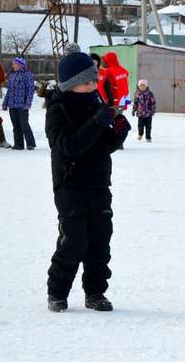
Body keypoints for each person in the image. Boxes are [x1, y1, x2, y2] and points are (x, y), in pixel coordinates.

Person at [45, 49, 131, 312]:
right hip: (71, 185)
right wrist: (97, 122)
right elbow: (69, 146)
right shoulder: (58, 110)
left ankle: (95, 292)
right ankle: (57, 292)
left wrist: (117, 133)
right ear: (71, 83)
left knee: (99, 240)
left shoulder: (94, 103)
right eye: (87, 82)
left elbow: (102, 145)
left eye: (95, 81)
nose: (94, 86)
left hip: (99, 183)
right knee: (74, 241)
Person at [2, 56, 37, 150]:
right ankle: (19, 144)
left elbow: (30, 90)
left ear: (20, 65)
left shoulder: (27, 75)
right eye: (13, 63)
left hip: (22, 105)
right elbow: (9, 91)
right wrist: (5, 103)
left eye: (14, 64)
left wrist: (28, 103)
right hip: (12, 105)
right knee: (16, 125)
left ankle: (30, 144)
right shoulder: (12, 75)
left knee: (24, 124)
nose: (12, 65)